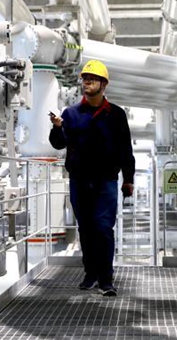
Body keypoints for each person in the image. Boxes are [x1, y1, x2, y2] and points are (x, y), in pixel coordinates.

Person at [49, 60, 135, 297]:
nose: (87, 82)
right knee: (85, 228)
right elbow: (59, 143)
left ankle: (106, 279)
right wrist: (57, 127)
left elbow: (125, 149)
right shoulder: (71, 114)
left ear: (103, 85)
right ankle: (90, 274)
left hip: (106, 181)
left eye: (93, 79)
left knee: (103, 228)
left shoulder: (116, 115)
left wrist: (129, 178)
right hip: (79, 181)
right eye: (85, 78)